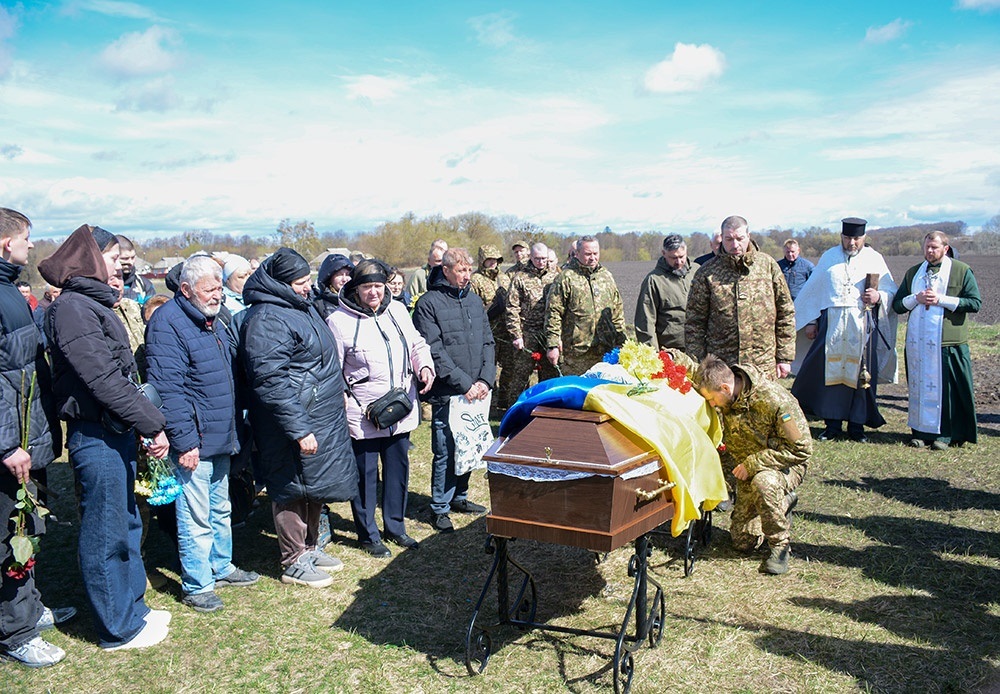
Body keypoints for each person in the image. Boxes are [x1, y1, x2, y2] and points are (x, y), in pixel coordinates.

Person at [40, 224, 172, 650]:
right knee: (105, 530)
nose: (121, 265)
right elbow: (103, 379)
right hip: (95, 435)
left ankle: (134, 607)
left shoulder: (92, 304)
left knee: (127, 523)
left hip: (115, 430)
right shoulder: (74, 308)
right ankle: (117, 626)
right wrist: (151, 421)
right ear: (92, 259)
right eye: (114, 258)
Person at [145, 255, 259, 613]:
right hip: (194, 439)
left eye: (219, 288)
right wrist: (185, 441)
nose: (217, 295)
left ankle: (221, 565)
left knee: (219, 507)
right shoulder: (168, 324)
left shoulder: (213, 320)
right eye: (209, 289)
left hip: (220, 433)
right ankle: (197, 584)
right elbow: (169, 389)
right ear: (185, 289)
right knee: (194, 516)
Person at [239, 248, 357, 588]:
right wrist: (299, 428)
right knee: (291, 486)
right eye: (300, 282)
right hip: (290, 421)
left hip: (318, 413)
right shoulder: (266, 319)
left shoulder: (297, 307)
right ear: (280, 283)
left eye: (307, 281)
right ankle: (293, 560)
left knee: (313, 484)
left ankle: (310, 547)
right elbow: (271, 381)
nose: (307, 288)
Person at [0, 208, 70, 668]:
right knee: (10, 535)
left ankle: (29, 607)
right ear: (7, 243)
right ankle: (16, 633)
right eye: (27, 239)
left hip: (29, 436)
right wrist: (6, 444)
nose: (31, 246)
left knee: (28, 530)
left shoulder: (7, 291)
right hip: (11, 446)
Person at [328, 260, 435, 557]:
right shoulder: (338, 321)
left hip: (399, 408)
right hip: (362, 413)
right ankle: (367, 533)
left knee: (398, 469)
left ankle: (396, 527)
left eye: (378, 286)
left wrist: (424, 366)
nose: (374, 293)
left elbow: (416, 344)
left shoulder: (398, 310)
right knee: (365, 474)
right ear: (355, 289)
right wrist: (347, 402)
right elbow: (333, 369)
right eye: (367, 287)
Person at [687, 353, 810, 575]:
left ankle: (780, 546)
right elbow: (692, 368)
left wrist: (754, 464)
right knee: (742, 543)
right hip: (746, 471)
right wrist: (667, 356)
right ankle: (779, 505)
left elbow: (801, 449)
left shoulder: (775, 401)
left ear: (725, 388)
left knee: (764, 483)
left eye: (712, 400)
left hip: (782, 467)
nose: (712, 405)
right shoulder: (720, 382)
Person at [792, 218, 898, 442]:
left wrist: (879, 296)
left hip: (862, 325)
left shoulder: (874, 258)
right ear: (841, 237)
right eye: (848, 238)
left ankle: (857, 427)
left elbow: (891, 290)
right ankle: (832, 426)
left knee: (860, 378)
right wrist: (810, 321)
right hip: (833, 325)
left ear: (864, 238)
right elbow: (813, 291)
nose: (852, 243)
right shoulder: (829, 257)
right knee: (831, 377)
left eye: (856, 238)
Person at [412, 248, 495, 533]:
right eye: (461, 270)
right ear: (445, 270)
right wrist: (465, 384)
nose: (466, 275)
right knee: (446, 449)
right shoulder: (428, 304)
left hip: (477, 391)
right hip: (450, 391)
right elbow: (433, 350)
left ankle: (460, 496)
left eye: (469, 270)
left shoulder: (473, 300)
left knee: (470, 444)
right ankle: (440, 507)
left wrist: (485, 380)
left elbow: (488, 342)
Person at [892, 231, 981, 449]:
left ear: (945, 249)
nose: (929, 251)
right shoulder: (914, 272)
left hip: (947, 343)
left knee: (946, 390)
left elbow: (974, 303)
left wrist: (941, 299)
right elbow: (897, 305)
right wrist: (916, 298)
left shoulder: (961, 271)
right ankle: (921, 432)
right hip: (918, 343)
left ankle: (946, 435)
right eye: (927, 247)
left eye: (934, 247)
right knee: (920, 387)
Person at [685, 216, 795, 380]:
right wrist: (699, 363)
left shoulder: (768, 266)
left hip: (762, 365)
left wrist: (784, 357)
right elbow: (695, 322)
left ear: (748, 236)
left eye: (739, 238)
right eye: (729, 239)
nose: (735, 245)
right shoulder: (707, 272)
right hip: (723, 367)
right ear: (722, 239)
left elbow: (785, 311)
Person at [544, 235, 626, 376]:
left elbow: (617, 311)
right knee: (577, 395)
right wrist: (552, 345)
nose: (592, 258)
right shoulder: (566, 278)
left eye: (595, 253)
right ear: (577, 254)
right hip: (576, 354)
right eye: (588, 254)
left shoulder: (606, 277)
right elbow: (553, 313)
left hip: (606, 352)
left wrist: (622, 341)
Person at [503, 242, 558, 403]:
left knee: (549, 375)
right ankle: (514, 411)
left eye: (544, 259)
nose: (541, 262)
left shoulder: (554, 277)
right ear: (531, 257)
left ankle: (547, 411)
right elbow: (512, 308)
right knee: (520, 376)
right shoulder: (520, 278)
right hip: (527, 333)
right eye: (537, 259)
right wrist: (516, 335)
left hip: (548, 333)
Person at [634, 234, 697, 351]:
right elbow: (645, 322)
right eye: (673, 258)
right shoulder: (653, 281)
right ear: (664, 254)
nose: (678, 262)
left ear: (686, 251)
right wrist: (653, 356)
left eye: (681, 256)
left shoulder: (697, 271)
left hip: (699, 347)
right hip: (671, 351)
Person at [468, 245, 511, 411]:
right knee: (489, 368)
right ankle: (490, 404)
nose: (493, 263)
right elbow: (473, 307)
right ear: (482, 260)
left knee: (509, 367)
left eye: (496, 259)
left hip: (506, 332)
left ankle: (504, 401)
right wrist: (491, 309)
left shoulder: (504, 278)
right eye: (489, 259)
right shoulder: (475, 280)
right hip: (488, 332)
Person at [116, 235, 156, 306]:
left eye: (133, 257)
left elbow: (152, 312)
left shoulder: (145, 285)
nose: (131, 262)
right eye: (125, 258)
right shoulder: (104, 286)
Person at [313, 253, 354, 320]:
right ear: (329, 278)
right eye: (339, 275)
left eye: (347, 274)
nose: (344, 279)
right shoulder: (319, 304)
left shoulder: (358, 300)